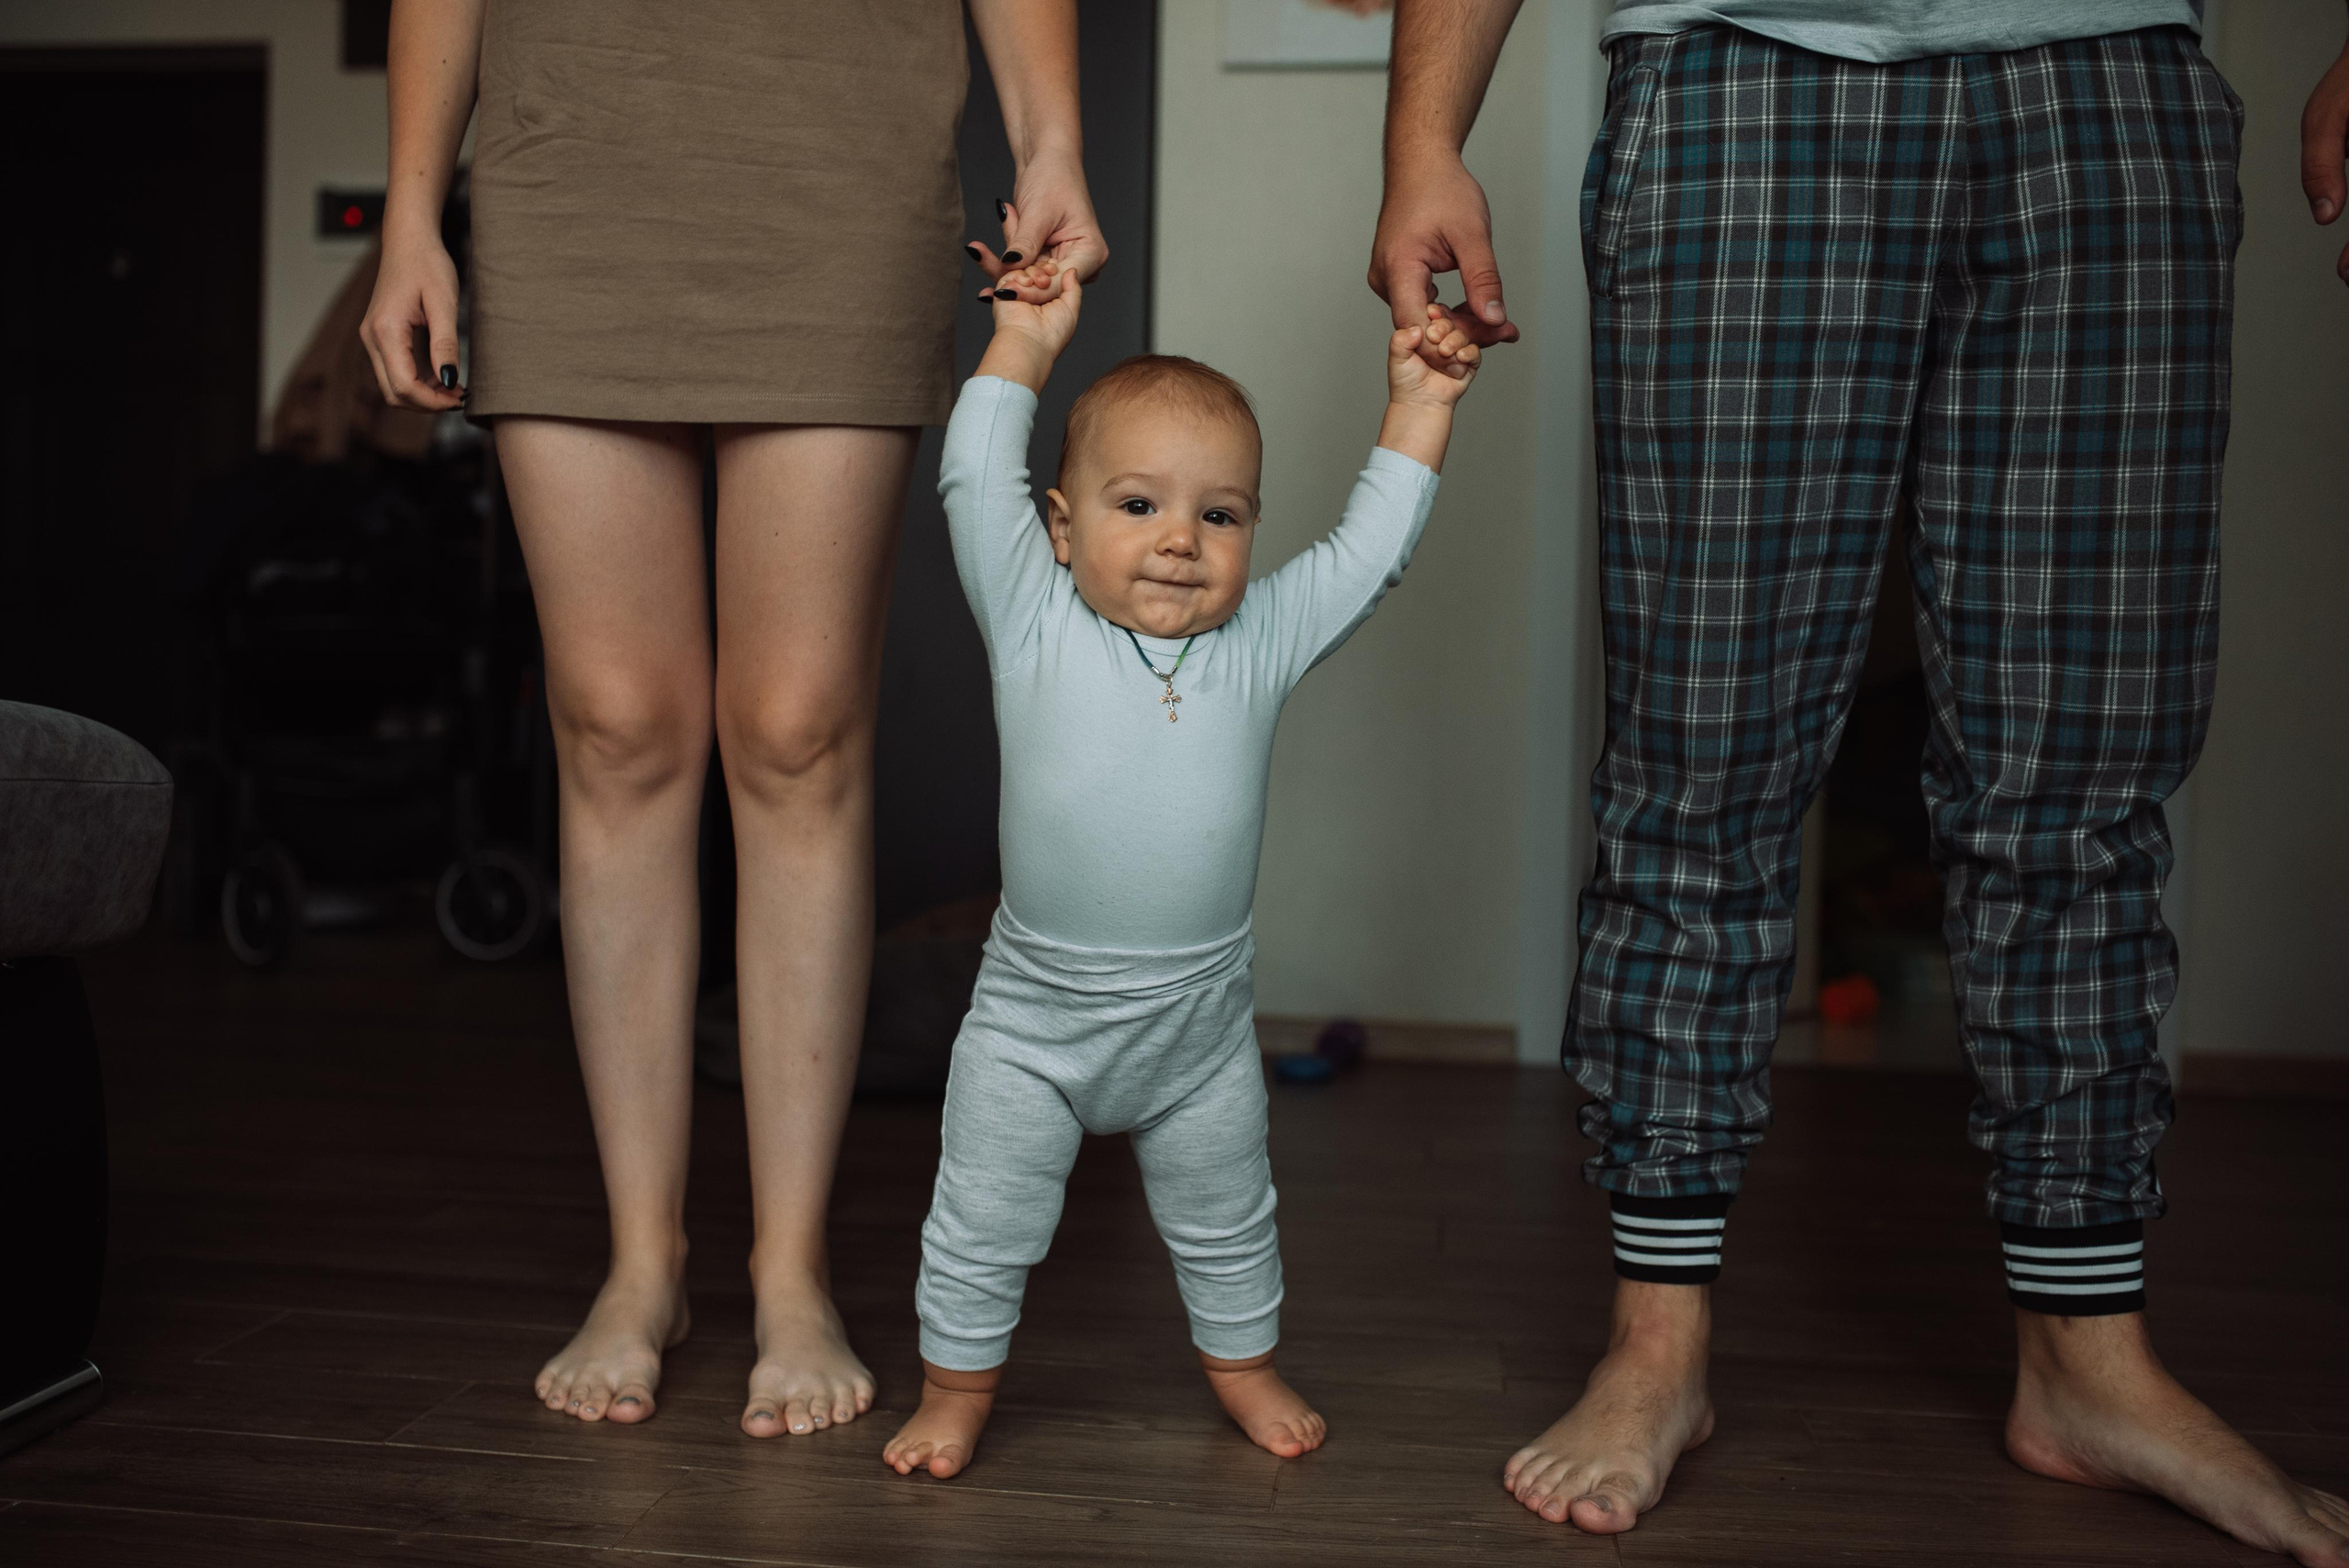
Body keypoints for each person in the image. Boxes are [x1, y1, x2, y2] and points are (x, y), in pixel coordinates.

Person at [1370, 1, 2349, 1561]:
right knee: (1702, 756)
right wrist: (1424, 133)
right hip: (1742, 73)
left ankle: (2089, 1363)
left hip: (2111, 82)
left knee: (2084, 770)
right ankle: (1654, 1346)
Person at [360, 0, 1107, 1440]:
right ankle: (645, 1260)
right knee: (618, 727)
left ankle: (792, 1266)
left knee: (799, 728)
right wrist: (409, 208)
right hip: (569, 156)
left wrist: (1053, 135)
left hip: (839, 157)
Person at [879, 257, 1483, 1479]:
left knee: (1230, 1219)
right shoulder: (1035, 615)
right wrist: (1025, 347)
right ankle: (955, 1387)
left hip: (1198, 1031)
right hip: (1032, 1026)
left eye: (1220, 515)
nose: (1180, 543)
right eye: (1139, 505)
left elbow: (1370, 552)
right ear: (1061, 526)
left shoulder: (1258, 639)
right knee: (984, 1221)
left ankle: (1246, 1367)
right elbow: (969, 475)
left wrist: (1420, 406)